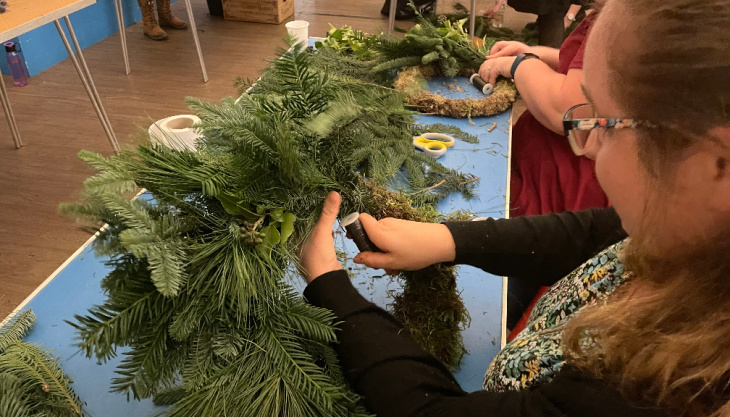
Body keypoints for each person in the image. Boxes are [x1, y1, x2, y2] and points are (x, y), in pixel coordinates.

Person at [300, 0, 730, 415]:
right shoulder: (682, 232)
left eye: (604, 123)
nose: (588, 148)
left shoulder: (663, 381)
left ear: (715, 161)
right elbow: (597, 232)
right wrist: (447, 239)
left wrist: (329, 284)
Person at [479, 10, 608, 329]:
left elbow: (571, 108)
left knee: (502, 285)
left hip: (557, 195)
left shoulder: (629, 17)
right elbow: (583, 67)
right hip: (545, 179)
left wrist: (521, 65)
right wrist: (540, 55)